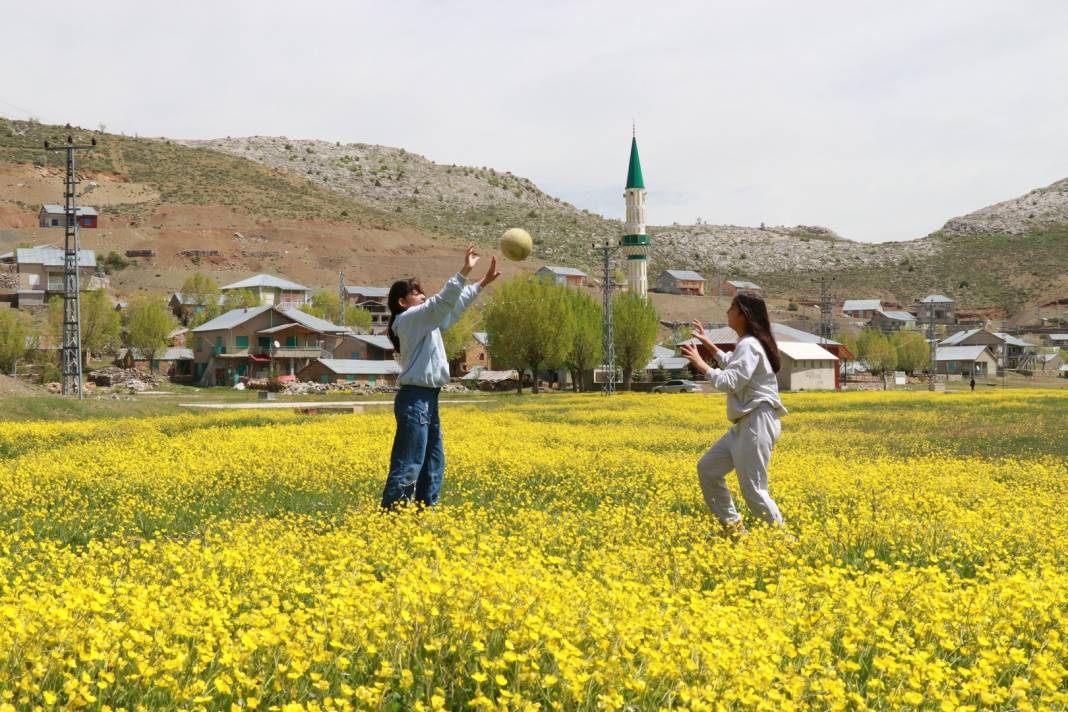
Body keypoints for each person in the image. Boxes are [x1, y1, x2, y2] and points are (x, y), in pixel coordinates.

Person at [380, 244, 500, 510]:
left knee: (433, 462)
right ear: (402, 303)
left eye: (422, 292)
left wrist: (482, 282)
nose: (422, 296)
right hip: (415, 400)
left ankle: (425, 513)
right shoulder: (409, 319)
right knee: (409, 462)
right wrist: (464, 271)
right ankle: (391, 517)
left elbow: (452, 306)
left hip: (428, 399)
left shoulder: (427, 321)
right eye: (416, 293)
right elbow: (442, 302)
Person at [680, 293, 788, 538]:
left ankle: (782, 542)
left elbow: (730, 381)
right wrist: (708, 344)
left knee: (754, 490)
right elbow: (732, 363)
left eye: (732, 308)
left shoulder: (749, 344)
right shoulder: (747, 344)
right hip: (746, 423)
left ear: (743, 314)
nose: (727, 312)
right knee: (708, 468)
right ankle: (734, 529)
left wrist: (701, 364)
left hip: (756, 421)